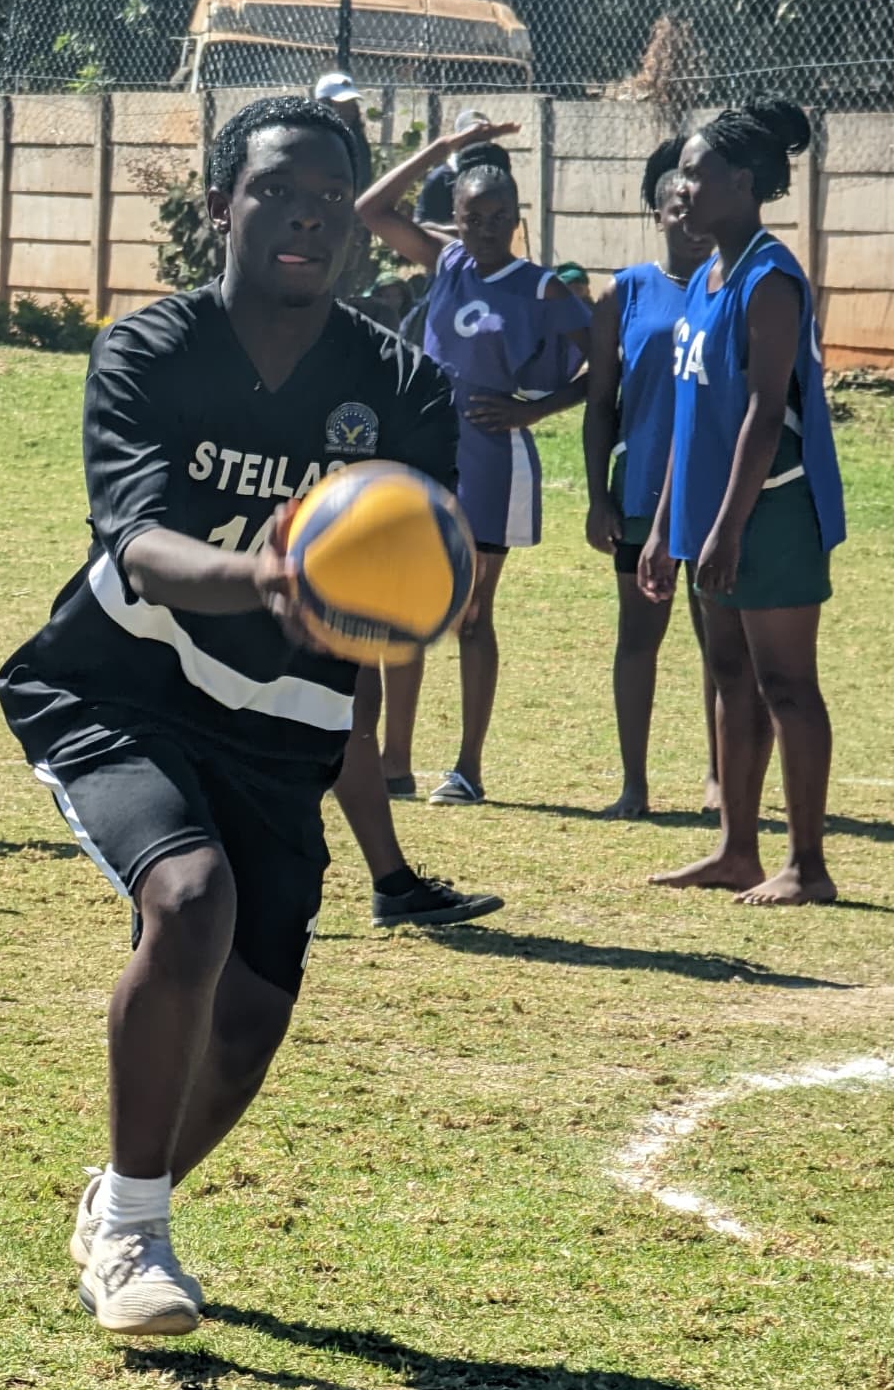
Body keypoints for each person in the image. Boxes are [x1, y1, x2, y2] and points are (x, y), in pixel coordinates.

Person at [0, 94, 480, 1340]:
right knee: (188, 901)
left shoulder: (404, 386)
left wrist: (398, 594)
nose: (303, 218)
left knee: (254, 1020)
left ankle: (117, 1193)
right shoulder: (150, 353)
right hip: (121, 685)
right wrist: (269, 578)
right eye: (274, 191)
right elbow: (143, 545)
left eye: (330, 200)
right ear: (221, 206)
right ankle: (138, 1237)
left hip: (280, 723)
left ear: (359, 228)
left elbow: (424, 557)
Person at [640, 102, 843, 905]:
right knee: (728, 673)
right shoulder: (707, 276)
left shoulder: (768, 277)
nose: (680, 187)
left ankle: (808, 864)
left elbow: (765, 412)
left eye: (694, 173)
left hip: (772, 512)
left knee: (786, 684)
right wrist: (664, 528)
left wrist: (725, 528)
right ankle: (735, 850)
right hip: (707, 515)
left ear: (743, 183)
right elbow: (692, 422)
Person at [356, 117, 592, 805]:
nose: (485, 230)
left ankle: (466, 769)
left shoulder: (541, 288)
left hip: (492, 459)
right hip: (423, 450)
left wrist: (534, 410)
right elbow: (370, 210)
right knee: (401, 607)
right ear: (453, 220)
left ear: (516, 219)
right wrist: (442, 149)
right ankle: (394, 767)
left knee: (469, 615)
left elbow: (606, 363)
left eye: (497, 218)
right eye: (471, 218)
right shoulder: (449, 262)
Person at [581, 138, 719, 819]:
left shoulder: (732, 289)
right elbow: (599, 403)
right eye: (676, 207)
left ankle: (722, 782)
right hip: (637, 497)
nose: (689, 219)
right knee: (638, 637)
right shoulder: (623, 293)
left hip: (715, 495)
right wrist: (596, 495)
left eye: (697, 206)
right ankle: (633, 785)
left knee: (719, 640)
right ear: (657, 215)